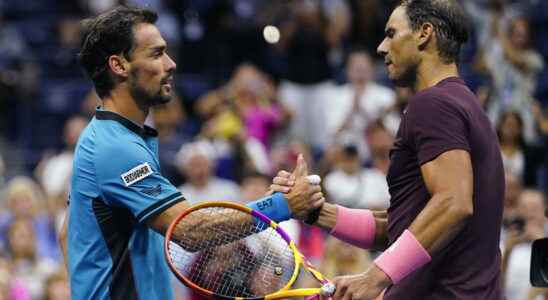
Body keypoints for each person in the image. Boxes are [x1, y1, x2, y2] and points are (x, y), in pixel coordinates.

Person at [59, 6, 323, 300]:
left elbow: (67, 233)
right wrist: (282, 205)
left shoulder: (109, 135)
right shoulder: (115, 147)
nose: (170, 64)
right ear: (119, 66)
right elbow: (188, 230)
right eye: (156, 54)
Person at [274, 0, 505, 299]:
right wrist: (317, 212)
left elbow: (453, 203)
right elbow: (403, 228)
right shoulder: (463, 103)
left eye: (391, 34)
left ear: (424, 34)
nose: (382, 47)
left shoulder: (433, 104)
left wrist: (375, 277)